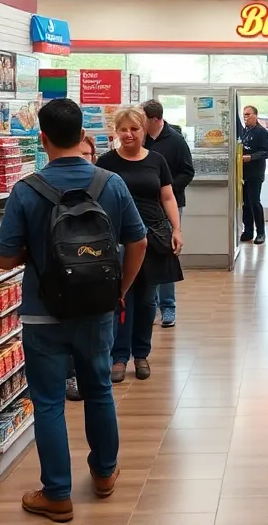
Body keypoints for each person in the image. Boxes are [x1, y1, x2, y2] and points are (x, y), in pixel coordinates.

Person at [0, 99, 148, 522]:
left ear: (41, 138)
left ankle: (57, 494)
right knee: (99, 390)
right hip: (97, 310)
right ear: (84, 137)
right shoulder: (111, 184)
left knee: (47, 403)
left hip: (43, 315)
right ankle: (103, 474)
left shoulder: (27, 189)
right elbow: (139, 242)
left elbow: (4, 259)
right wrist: (120, 289)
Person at [97, 106, 184, 384]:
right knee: (120, 300)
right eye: (123, 129)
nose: (129, 134)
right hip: (117, 239)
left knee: (148, 301)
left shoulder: (157, 160)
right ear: (117, 132)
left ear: (143, 129)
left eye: (134, 128)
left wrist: (177, 229)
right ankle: (119, 357)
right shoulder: (106, 162)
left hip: (152, 238)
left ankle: (141, 354)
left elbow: (168, 197)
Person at [142, 99, 194, 328]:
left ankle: (168, 308)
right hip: (144, 207)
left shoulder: (176, 141)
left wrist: (167, 189)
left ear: (155, 119)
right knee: (144, 255)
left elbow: (187, 171)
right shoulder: (141, 139)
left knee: (166, 254)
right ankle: (149, 306)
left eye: (142, 120)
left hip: (169, 206)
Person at [64, 133, 101, 404]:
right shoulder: (34, 187)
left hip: (96, 285)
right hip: (61, 287)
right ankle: (71, 375)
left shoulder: (108, 184)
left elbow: (136, 242)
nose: (81, 161)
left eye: (86, 156)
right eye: (77, 155)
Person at [239, 105, 268, 245]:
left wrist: (251, 157)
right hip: (243, 173)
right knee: (245, 203)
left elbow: (267, 152)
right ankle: (248, 231)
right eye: (244, 115)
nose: (246, 117)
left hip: (255, 173)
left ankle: (261, 233)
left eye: (248, 114)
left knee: (254, 202)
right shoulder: (244, 131)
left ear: (256, 115)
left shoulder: (261, 132)